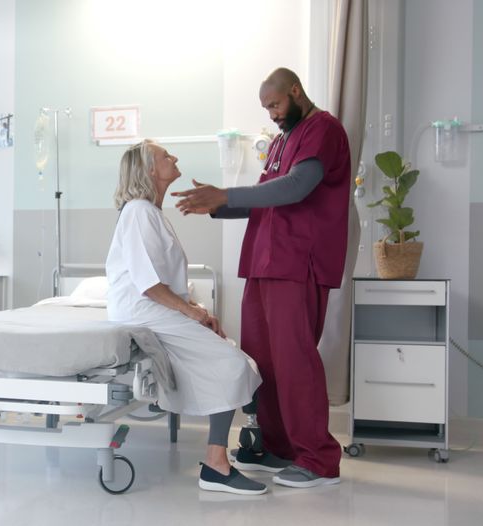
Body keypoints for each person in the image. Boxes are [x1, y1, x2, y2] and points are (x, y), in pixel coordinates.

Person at [172, 68, 351, 488]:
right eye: (266, 108)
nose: (271, 114)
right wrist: (216, 205)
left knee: (295, 361)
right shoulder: (280, 142)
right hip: (263, 262)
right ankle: (278, 446)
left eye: (274, 104)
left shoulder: (322, 129)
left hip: (298, 262)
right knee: (262, 360)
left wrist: (226, 195)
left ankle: (318, 460)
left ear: (294, 91)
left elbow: (295, 188)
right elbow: (264, 198)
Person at [106, 139, 265, 495]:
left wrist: (197, 311)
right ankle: (215, 465)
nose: (174, 158)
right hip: (142, 309)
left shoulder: (150, 212)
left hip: (155, 307)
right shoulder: (138, 211)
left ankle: (246, 449)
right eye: (166, 156)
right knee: (230, 363)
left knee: (239, 359)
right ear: (149, 169)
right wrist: (191, 311)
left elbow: (164, 284)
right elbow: (147, 284)